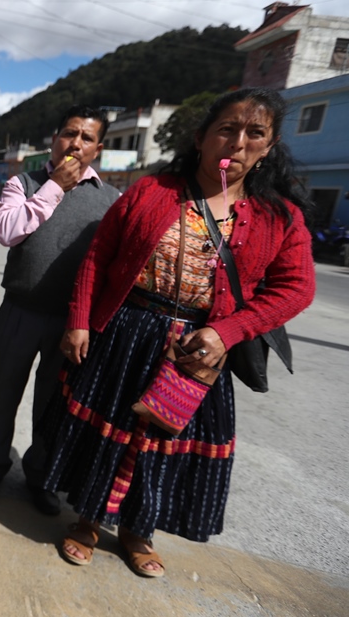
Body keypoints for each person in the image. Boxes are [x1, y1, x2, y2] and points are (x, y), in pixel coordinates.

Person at [40, 88, 314, 577]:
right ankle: (87, 518)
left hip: (200, 348)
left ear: (269, 147)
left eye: (255, 133)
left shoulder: (280, 217)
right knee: (109, 433)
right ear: (202, 137)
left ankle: (137, 531)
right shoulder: (154, 191)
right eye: (227, 128)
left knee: (164, 445)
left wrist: (229, 331)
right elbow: (100, 255)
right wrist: (80, 319)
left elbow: (295, 289)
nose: (239, 142)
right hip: (127, 333)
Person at [0, 105, 119, 516]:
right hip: (19, 311)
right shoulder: (24, 183)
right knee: (3, 396)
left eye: (86, 137)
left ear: (99, 148)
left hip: (72, 326)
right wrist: (52, 187)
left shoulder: (109, 200)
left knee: (52, 406)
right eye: (69, 133)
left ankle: (40, 477)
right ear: (54, 138)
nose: (76, 143)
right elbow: (6, 231)